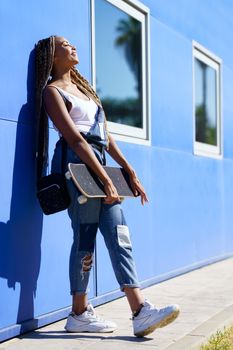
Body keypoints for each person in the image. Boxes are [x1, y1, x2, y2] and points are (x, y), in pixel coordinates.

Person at [35, 35, 180, 337]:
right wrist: (102, 176)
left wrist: (128, 170)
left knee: (119, 235)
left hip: (100, 164)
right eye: (64, 44)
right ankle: (78, 312)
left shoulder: (85, 91)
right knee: (85, 237)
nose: (72, 46)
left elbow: (106, 137)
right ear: (52, 53)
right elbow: (74, 138)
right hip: (76, 167)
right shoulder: (52, 92)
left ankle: (139, 311)